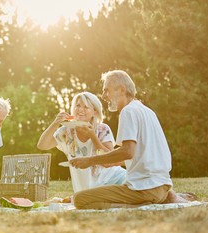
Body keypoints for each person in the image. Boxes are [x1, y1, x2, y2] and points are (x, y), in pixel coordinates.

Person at [70, 70, 191, 209]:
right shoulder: (146, 111)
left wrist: (90, 161)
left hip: (144, 189)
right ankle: (159, 199)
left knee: (80, 199)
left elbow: (127, 152)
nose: (103, 96)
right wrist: (109, 161)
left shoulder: (128, 112)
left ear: (121, 90)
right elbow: (139, 154)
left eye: (106, 91)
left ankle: (140, 205)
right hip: (162, 186)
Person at [37, 92, 126, 194]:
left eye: (86, 107)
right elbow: (42, 145)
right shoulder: (67, 131)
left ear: (95, 112)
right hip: (85, 190)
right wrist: (55, 123)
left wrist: (93, 136)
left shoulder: (102, 129)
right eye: (78, 105)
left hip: (114, 180)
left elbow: (109, 160)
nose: (80, 110)